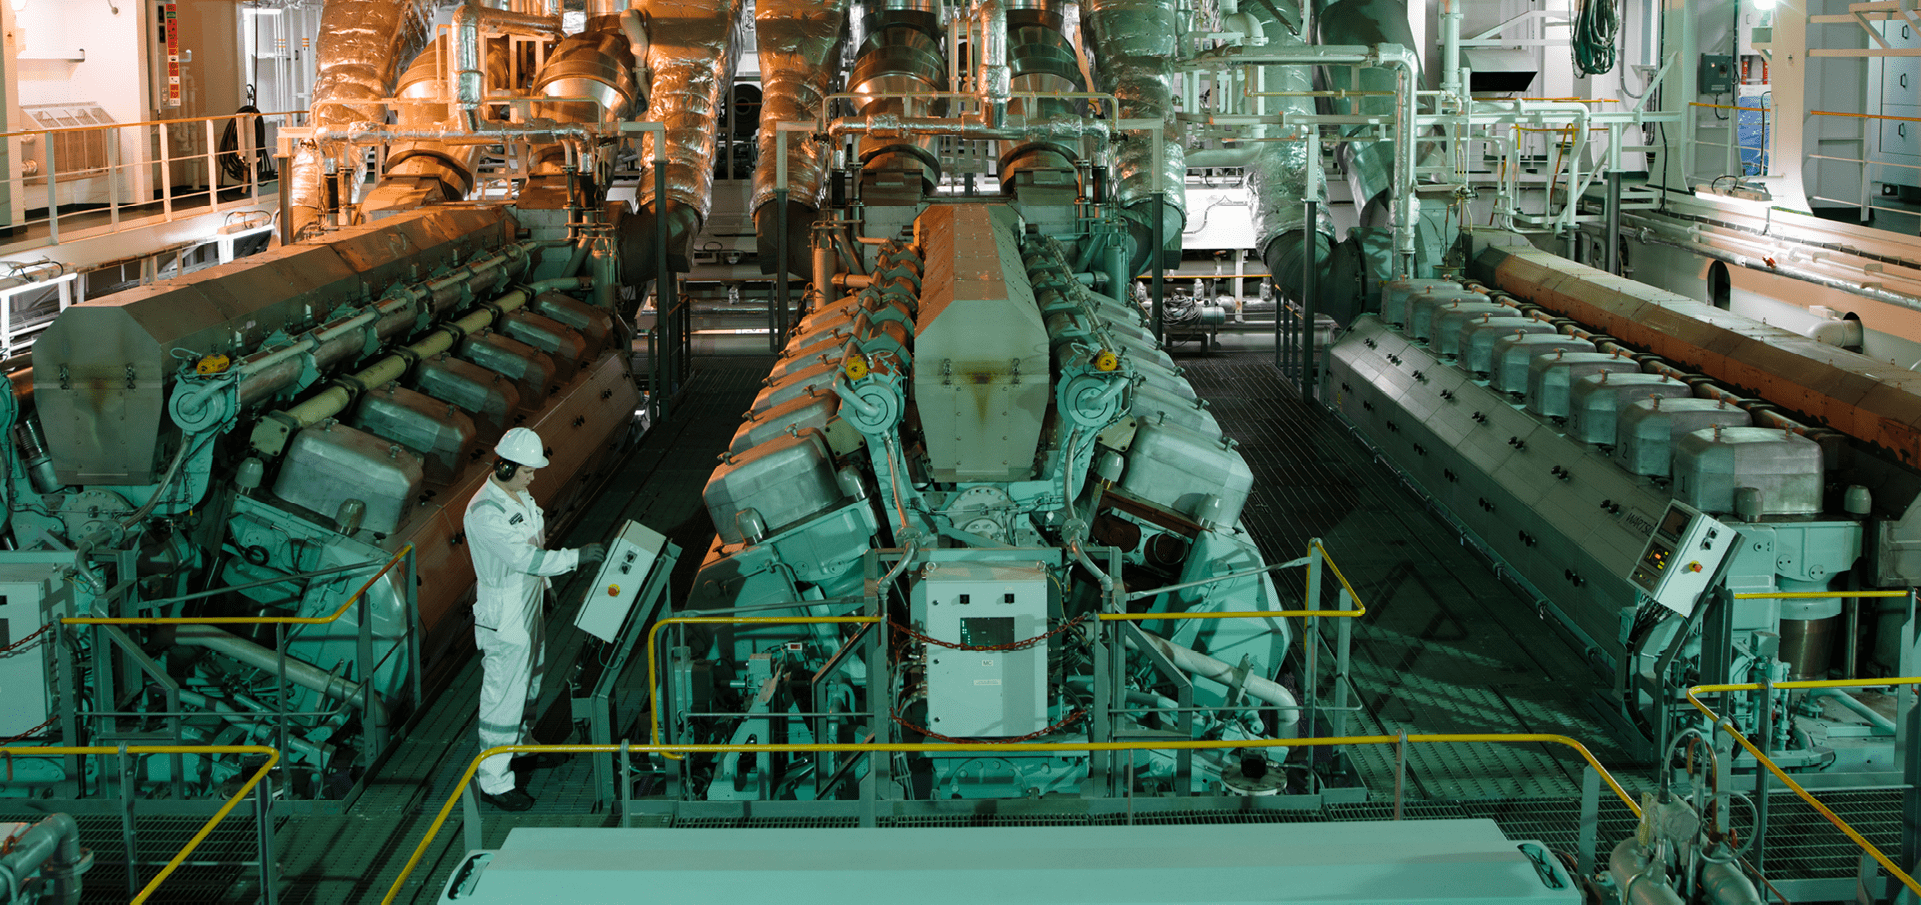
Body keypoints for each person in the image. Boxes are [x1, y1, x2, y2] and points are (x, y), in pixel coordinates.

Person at [462, 427, 605, 810]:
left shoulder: (519, 496)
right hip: (505, 610)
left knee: (530, 680)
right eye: (527, 470)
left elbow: (533, 550)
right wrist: (576, 557)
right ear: (506, 467)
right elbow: (523, 559)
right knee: (503, 695)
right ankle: (494, 781)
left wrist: (544, 588)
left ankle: (520, 742)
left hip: (527, 600)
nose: (533, 476)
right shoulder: (484, 513)